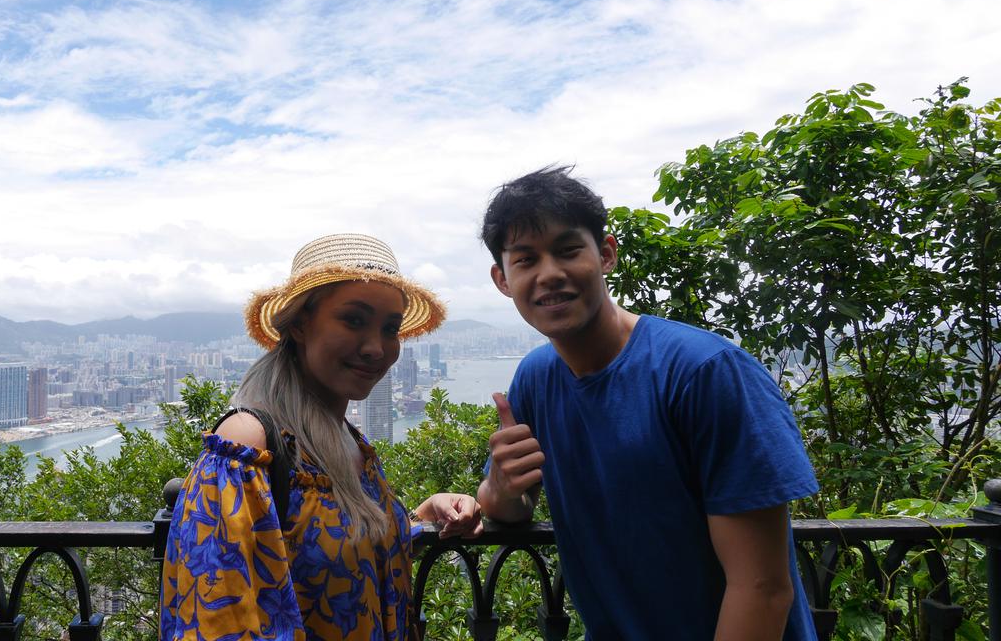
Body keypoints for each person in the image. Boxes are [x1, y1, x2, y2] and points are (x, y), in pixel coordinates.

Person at [475, 167, 819, 640]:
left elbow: (761, 586)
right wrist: (501, 484)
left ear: (606, 254)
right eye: (526, 259)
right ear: (503, 278)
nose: (549, 274)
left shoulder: (705, 372)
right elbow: (508, 508)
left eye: (568, 250)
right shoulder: (536, 379)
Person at [161, 233, 482, 641]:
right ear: (298, 323)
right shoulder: (249, 444)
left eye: (390, 328)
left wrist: (421, 518)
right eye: (353, 319)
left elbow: (335, 549)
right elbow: (215, 616)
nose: (376, 347)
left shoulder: (348, 441)